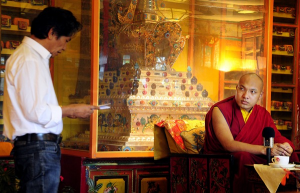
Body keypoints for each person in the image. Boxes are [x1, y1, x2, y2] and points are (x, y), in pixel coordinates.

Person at [3, 7, 99, 193]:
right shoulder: (29, 60)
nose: (64, 47)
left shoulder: (30, 58)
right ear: (51, 33)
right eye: (66, 41)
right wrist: (69, 110)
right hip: (38, 149)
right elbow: (36, 112)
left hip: (36, 149)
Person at [203, 73, 299, 193]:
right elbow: (229, 145)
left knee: (291, 154)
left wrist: (286, 146)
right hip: (226, 158)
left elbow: (277, 138)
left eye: (253, 92)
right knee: (244, 156)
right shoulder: (220, 110)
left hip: (255, 156)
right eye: (242, 89)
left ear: (260, 95)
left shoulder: (262, 114)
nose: (245, 96)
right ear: (236, 88)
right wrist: (265, 149)